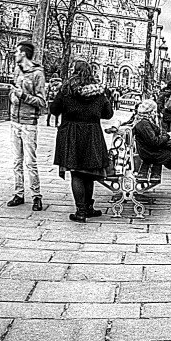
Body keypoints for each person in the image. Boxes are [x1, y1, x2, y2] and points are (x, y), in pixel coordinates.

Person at [49, 60, 114, 222]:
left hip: (71, 134)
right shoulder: (98, 91)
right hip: (92, 134)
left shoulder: (67, 89)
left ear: (75, 71)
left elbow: (54, 109)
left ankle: (81, 211)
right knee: (88, 173)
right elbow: (108, 114)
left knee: (76, 172)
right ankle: (88, 208)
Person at [6, 42, 48, 211]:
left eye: (17, 52)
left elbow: (42, 102)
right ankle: (19, 194)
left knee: (30, 162)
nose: (15, 54)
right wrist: (13, 96)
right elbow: (14, 91)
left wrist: (23, 96)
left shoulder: (38, 74)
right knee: (16, 161)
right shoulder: (17, 70)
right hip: (14, 121)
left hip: (29, 123)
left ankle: (36, 196)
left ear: (23, 54)